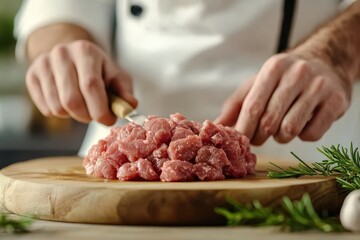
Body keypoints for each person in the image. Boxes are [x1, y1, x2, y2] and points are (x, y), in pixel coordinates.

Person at [14, 0, 360, 162]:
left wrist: (336, 53)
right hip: (122, 165)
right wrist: (62, 47)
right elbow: (59, 10)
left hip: (310, 161)